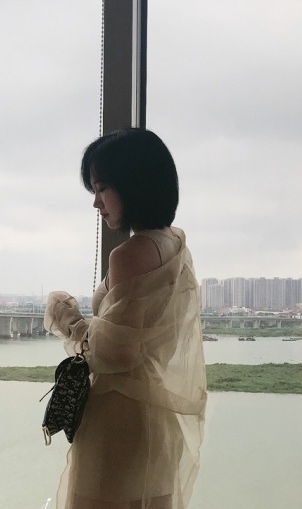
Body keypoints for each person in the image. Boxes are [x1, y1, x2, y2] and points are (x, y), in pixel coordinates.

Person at [44, 128, 207, 509]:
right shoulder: (174, 243)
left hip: (119, 420)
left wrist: (68, 320)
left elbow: (117, 352)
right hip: (156, 422)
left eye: (102, 188)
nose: (96, 203)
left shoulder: (130, 254)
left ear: (134, 183)